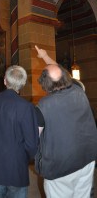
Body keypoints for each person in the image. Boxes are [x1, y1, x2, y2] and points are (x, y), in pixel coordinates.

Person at [34, 61, 97, 198]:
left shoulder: (43, 106)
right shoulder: (80, 93)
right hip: (86, 159)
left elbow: (34, 139)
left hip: (60, 166)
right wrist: (45, 57)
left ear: (44, 83)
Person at [0, 65, 39, 198]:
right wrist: (25, 158)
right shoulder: (27, 107)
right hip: (16, 168)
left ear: (5, 81)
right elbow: (32, 144)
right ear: (23, 83)